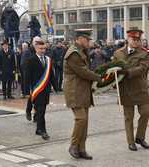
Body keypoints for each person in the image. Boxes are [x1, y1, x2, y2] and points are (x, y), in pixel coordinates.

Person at [63, 29, 102, 160]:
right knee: (81, 119)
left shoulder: (81, 51)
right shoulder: (73, 53)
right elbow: (83, 72)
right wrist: (99, 77)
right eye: (87, 39)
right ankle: (73, 145)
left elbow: (86, 71)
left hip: (82, 90)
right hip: (74, 91)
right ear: (79, 39)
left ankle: (82, 149)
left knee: (85, 122)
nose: (89, 42)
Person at [112, 29, 149, 151]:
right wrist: (112, 81)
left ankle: (140, 137)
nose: (136, 42)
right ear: (128, 39)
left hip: (140, 88)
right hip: (125, 89)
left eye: (138, 40)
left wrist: (127, 72)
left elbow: (143, 68)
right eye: (134, 39)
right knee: (129, 117)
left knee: (146, 112)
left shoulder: (144, 53)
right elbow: (113, 68)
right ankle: (131, 141)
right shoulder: (118, 53)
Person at [25, 40, 57, 140]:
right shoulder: (30, 60)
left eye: (44, 49)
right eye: (40, 49)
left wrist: (56, 87)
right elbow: (27, 77)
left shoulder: (48, 59)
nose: (43, 50)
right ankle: (43, 131)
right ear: (36, 49)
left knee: (42, 110)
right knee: (41, 111)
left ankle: (38, 129)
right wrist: (26, 91)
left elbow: (51, 75)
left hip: (46, 89)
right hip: (36, 90)